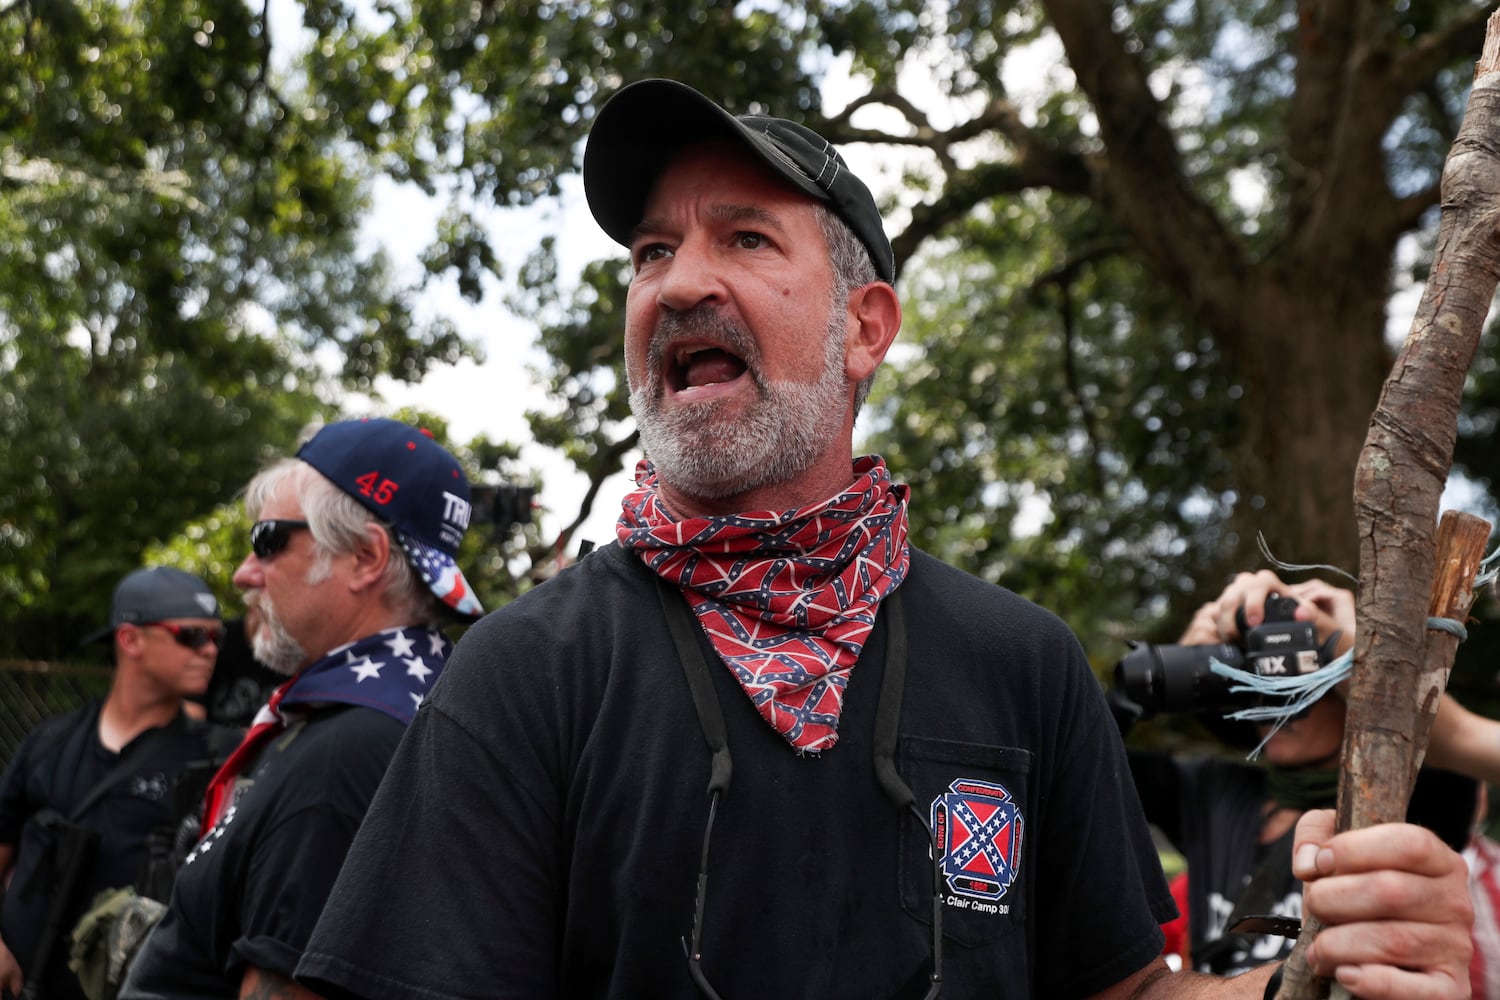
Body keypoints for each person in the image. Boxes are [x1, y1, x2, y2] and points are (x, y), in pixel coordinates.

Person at [296, 79, 1474, 999]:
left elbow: (1119, 989)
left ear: (866, 327)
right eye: (652, 252)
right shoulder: (527, 671)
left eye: (745, 239)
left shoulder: (1023, 664)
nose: (676, 283)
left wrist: (1315, 968)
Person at [118, 417, 484, 1000]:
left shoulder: (347, 753)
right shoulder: (422, 707)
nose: (243, 573)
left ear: (365, 557)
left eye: (267, 540)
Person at [1121, 569, 1482, 977]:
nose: (1278, 705)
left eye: (1303, 685)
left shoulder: (1404, 800)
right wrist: (1175, 670)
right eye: (1264, 682)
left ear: (1349, 694)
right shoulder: (1211, 791)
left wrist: (1353, 647)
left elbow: (1455, 753)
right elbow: (1087, 764)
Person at [0, 567, 234, 1000]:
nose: (210, 650)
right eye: (191, 635)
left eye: (217, 637)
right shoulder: (49, 743)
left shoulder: (218, 760)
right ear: (130, 640)